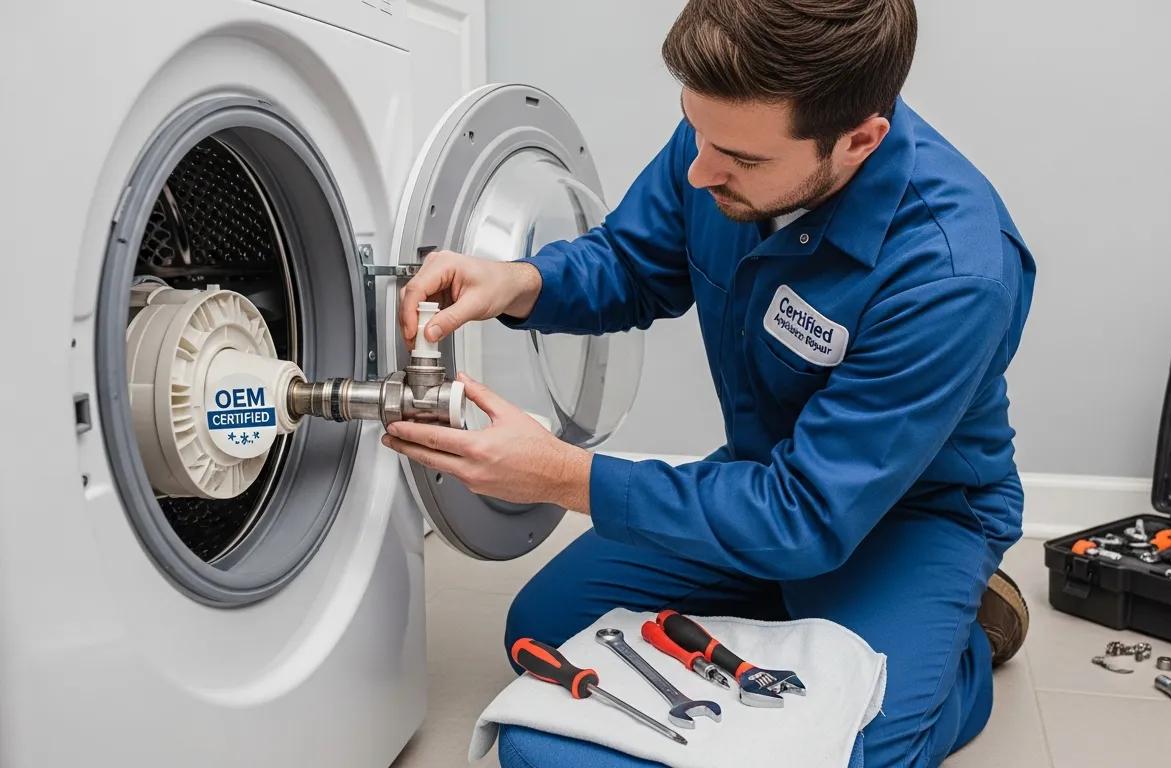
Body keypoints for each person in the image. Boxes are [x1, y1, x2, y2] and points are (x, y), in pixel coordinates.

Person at [383, 1, 1035, 765]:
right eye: (696, 131)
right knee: (545, 627)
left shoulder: (952, 270)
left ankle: (952, 651)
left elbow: (809, 516)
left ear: (859, 140)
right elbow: (632, 266)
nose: (699, 171)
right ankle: (788, 605)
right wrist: (516, 281)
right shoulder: (728, 133)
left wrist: (564, 477)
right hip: (769, 483)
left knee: (843, 746)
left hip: (906, 516)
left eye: (741, 161)